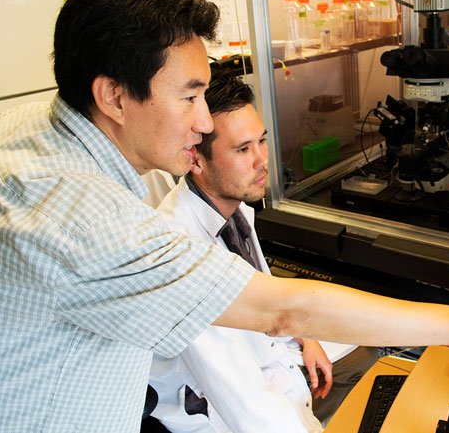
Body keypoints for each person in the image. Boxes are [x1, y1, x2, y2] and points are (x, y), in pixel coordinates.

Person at [0, 0, 449, 431]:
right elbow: (280, 311)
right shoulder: (76, 214)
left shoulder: (33, 137)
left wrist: (305, 339)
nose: (201, 122)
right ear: (112, 96)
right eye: (189, 97)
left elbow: (282, 313)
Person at [148, 74, 380, 433]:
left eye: (262, 141)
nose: (262, 160)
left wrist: (306, 337)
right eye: (243, 149)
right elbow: (243, 400)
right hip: (214, 408)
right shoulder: (182, 253)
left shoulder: (234, 210)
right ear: (196, 159)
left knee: (364, 356)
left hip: (264, 357)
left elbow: (262, 293)